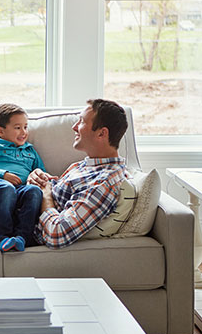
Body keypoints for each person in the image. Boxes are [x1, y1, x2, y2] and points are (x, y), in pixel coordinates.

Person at [27, 99, 129, 248]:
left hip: (18, 228)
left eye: (81, 122)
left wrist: (45, 196)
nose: (74, 127)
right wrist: (38, 178)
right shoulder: (87, 165)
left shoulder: (105, 183)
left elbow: (57, 234)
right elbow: (56, 194)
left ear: (102, 133)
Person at [0, 104, 44, 252]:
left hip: (21, 189)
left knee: (34, 191)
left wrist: (45, 177)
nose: (23, 132)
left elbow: (40, 171)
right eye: (17, 127)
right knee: (6, 188)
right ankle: (2, 237)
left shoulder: (30, 150)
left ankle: (22, 237)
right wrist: (3, 175)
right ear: (0, 131)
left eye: (25, 127)